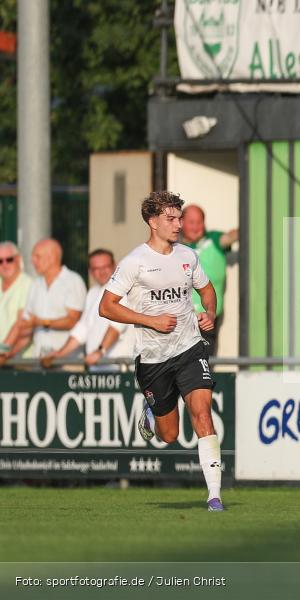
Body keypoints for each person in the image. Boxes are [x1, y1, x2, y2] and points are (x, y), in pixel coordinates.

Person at [99, 191, 224, 512]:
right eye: (171, 219)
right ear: (152, 222)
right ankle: (152, 414)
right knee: (169, 435)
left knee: (202, 413)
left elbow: (207, 291)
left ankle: (214, 496)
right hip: (153, 358)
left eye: (179, 218)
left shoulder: (188, 256)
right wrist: (149, 320)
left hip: (190, 347)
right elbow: (106, 307)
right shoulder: (134, 262)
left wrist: (209, 313)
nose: (178, 225)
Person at [40, 249, 134, 371]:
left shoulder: (123, 291)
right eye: (96, 268)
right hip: (97, 369)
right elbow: (82, 329)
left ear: (114, 266)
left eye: (105, 267)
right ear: (90, 271)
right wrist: (60, 354)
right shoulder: (92, 293)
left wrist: (100, 351)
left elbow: (116, 328)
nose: (101, 272)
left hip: (119, 369)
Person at [0, 238, 86, 363]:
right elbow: (26, 329)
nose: (32, 261)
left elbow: (73, 320)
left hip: (67, 362)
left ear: (52, 257)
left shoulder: (73, 281)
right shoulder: (36, 284)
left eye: (37, 256)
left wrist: (41, 322)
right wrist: (6, 354)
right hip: (39, 361)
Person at [180, 204, 238, 356]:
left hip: (206, 319)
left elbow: (233, 236)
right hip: (180, 319)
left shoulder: (214, 240)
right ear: (181, 223)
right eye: (191, 222)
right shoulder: (174, 247)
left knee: (203, 362)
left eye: (199, 222)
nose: (196, 227)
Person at [0, 242, 33, 354]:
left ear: (18, 260)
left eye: (9, 259)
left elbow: (23, 327)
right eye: (0, 261)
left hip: (17, 359)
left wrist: (4, 353)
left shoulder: (28, 285)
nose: (4, 264)